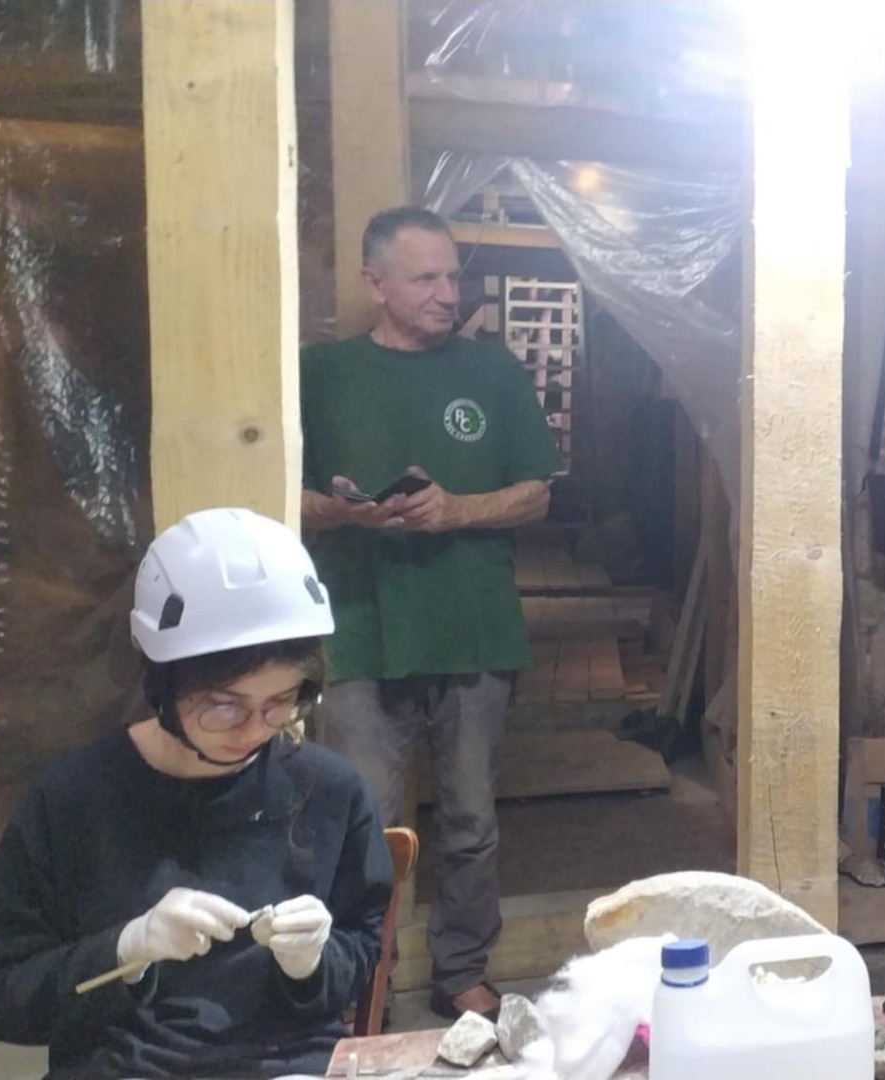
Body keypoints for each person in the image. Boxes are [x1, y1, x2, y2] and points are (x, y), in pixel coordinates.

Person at [0, 508, 394, 1079]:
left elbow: (359, 954)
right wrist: (125, 950)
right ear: (162, 683)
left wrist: (314, 960)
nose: (255, 729)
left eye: (281, 702)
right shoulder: (71, 800)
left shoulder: (330, 791)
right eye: (224, 706)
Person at [301, 206, 561, 1020]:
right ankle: (360, 987)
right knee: (365, 827)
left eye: (453, 275)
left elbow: (537, 494)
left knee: (471, 821)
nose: (448, 293)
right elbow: (276, 494)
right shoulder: (321, 374)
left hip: (473, 626)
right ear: (375, 283)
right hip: (361, 629)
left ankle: (461, 972)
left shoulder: (493, 372)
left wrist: (457, 511)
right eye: (425, 278)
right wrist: (341, 512)